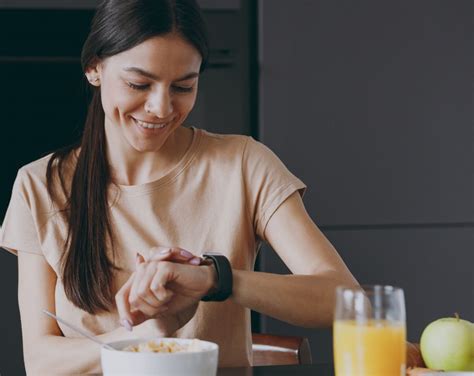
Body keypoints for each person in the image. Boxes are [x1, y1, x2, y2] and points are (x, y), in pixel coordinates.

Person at [0, 0, 423, 374]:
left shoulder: (242, 163)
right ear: (94, 68)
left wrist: (214, 279)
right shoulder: (40, 185)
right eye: (139, 84)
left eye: (183, 86)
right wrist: (147, 337)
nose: (162, 108)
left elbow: (342, 295)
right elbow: (41, 360)